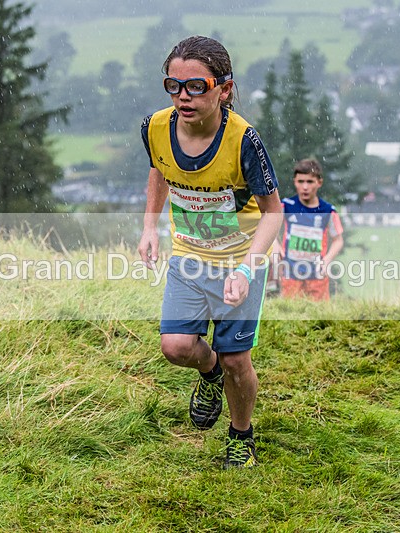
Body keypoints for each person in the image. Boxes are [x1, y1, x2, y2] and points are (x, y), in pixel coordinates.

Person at [137, 35, 282, 469]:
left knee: (239, 358)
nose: (183, 96)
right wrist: (149, 227)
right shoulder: (154, 127)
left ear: (224, 89)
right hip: (189, 256)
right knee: (176, 347)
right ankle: (209, 370)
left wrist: (248, 268)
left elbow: (274, 213)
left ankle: (241, 434)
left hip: (241, 260)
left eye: (196, 86)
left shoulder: (244, 141)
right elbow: (160, 171)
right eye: (174, 86)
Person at [274, 158, 344, 301]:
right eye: (301, 182)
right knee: (291, 313)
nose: (305, 187)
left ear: (319, 182)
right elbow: (268, 226)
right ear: (295, 182)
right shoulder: (286, 206)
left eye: (310, 182)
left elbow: (338, 240)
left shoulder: (328, 211)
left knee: (318, 316)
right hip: (291, 272)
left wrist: (327, 260)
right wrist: (275, 245)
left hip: (317, 274)